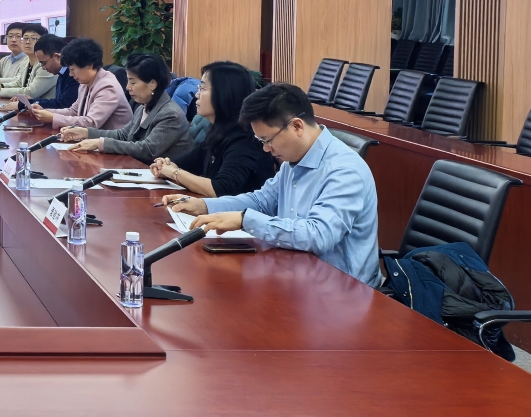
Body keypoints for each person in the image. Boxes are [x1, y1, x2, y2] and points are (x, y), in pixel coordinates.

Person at [166, 83, 381, 286]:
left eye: (267, 140)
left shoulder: (344, 171)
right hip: (295, 271)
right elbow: (261, 200)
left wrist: (244, 219)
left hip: (341, 289)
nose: (266, 149)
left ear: (297, 126)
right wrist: (205, 206)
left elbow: (318, 235)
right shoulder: (294, 160)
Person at [149, 61, 276, 197]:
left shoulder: (246, 138)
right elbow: (186, 163)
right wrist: (164, 164)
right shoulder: (217, 130)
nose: (196, 95)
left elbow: (222, 189)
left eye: (203, 88)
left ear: (224, 94)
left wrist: (174, 173)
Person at [61, 53, 195, 161]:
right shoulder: (143, 107)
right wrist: (86, 133)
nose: (128, 87)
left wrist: (100, 143)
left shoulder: (170, 114)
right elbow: (123, 135)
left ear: (152, 84)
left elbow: (147, 150)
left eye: (133, 82)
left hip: (166, 180)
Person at [26, 37, 134, 132]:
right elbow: (74, 111)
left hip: (110, 144)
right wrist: (45, 112)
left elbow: (91, 123)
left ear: (89, 65)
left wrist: (52, 117)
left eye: (72, 69)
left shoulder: (107, 86)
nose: (70, 74)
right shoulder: (85, 82)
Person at [0, 23, 47, 98]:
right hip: (28, 103)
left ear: (43, 42)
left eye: (33, 38)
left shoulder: (46, 65)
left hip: (42, 105)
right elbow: (19, 83)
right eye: (25, 38)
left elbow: (31, 92)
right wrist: (0, 86)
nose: (27, 42)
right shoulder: (26, 61)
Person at [24, 35, 77, 111]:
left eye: (44, 63)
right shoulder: (61, 73)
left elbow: (63, 105)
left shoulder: (73, 75)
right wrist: (31, 101)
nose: (43, 67)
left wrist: (29, 103)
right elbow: (58, 101)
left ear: (57, 57)